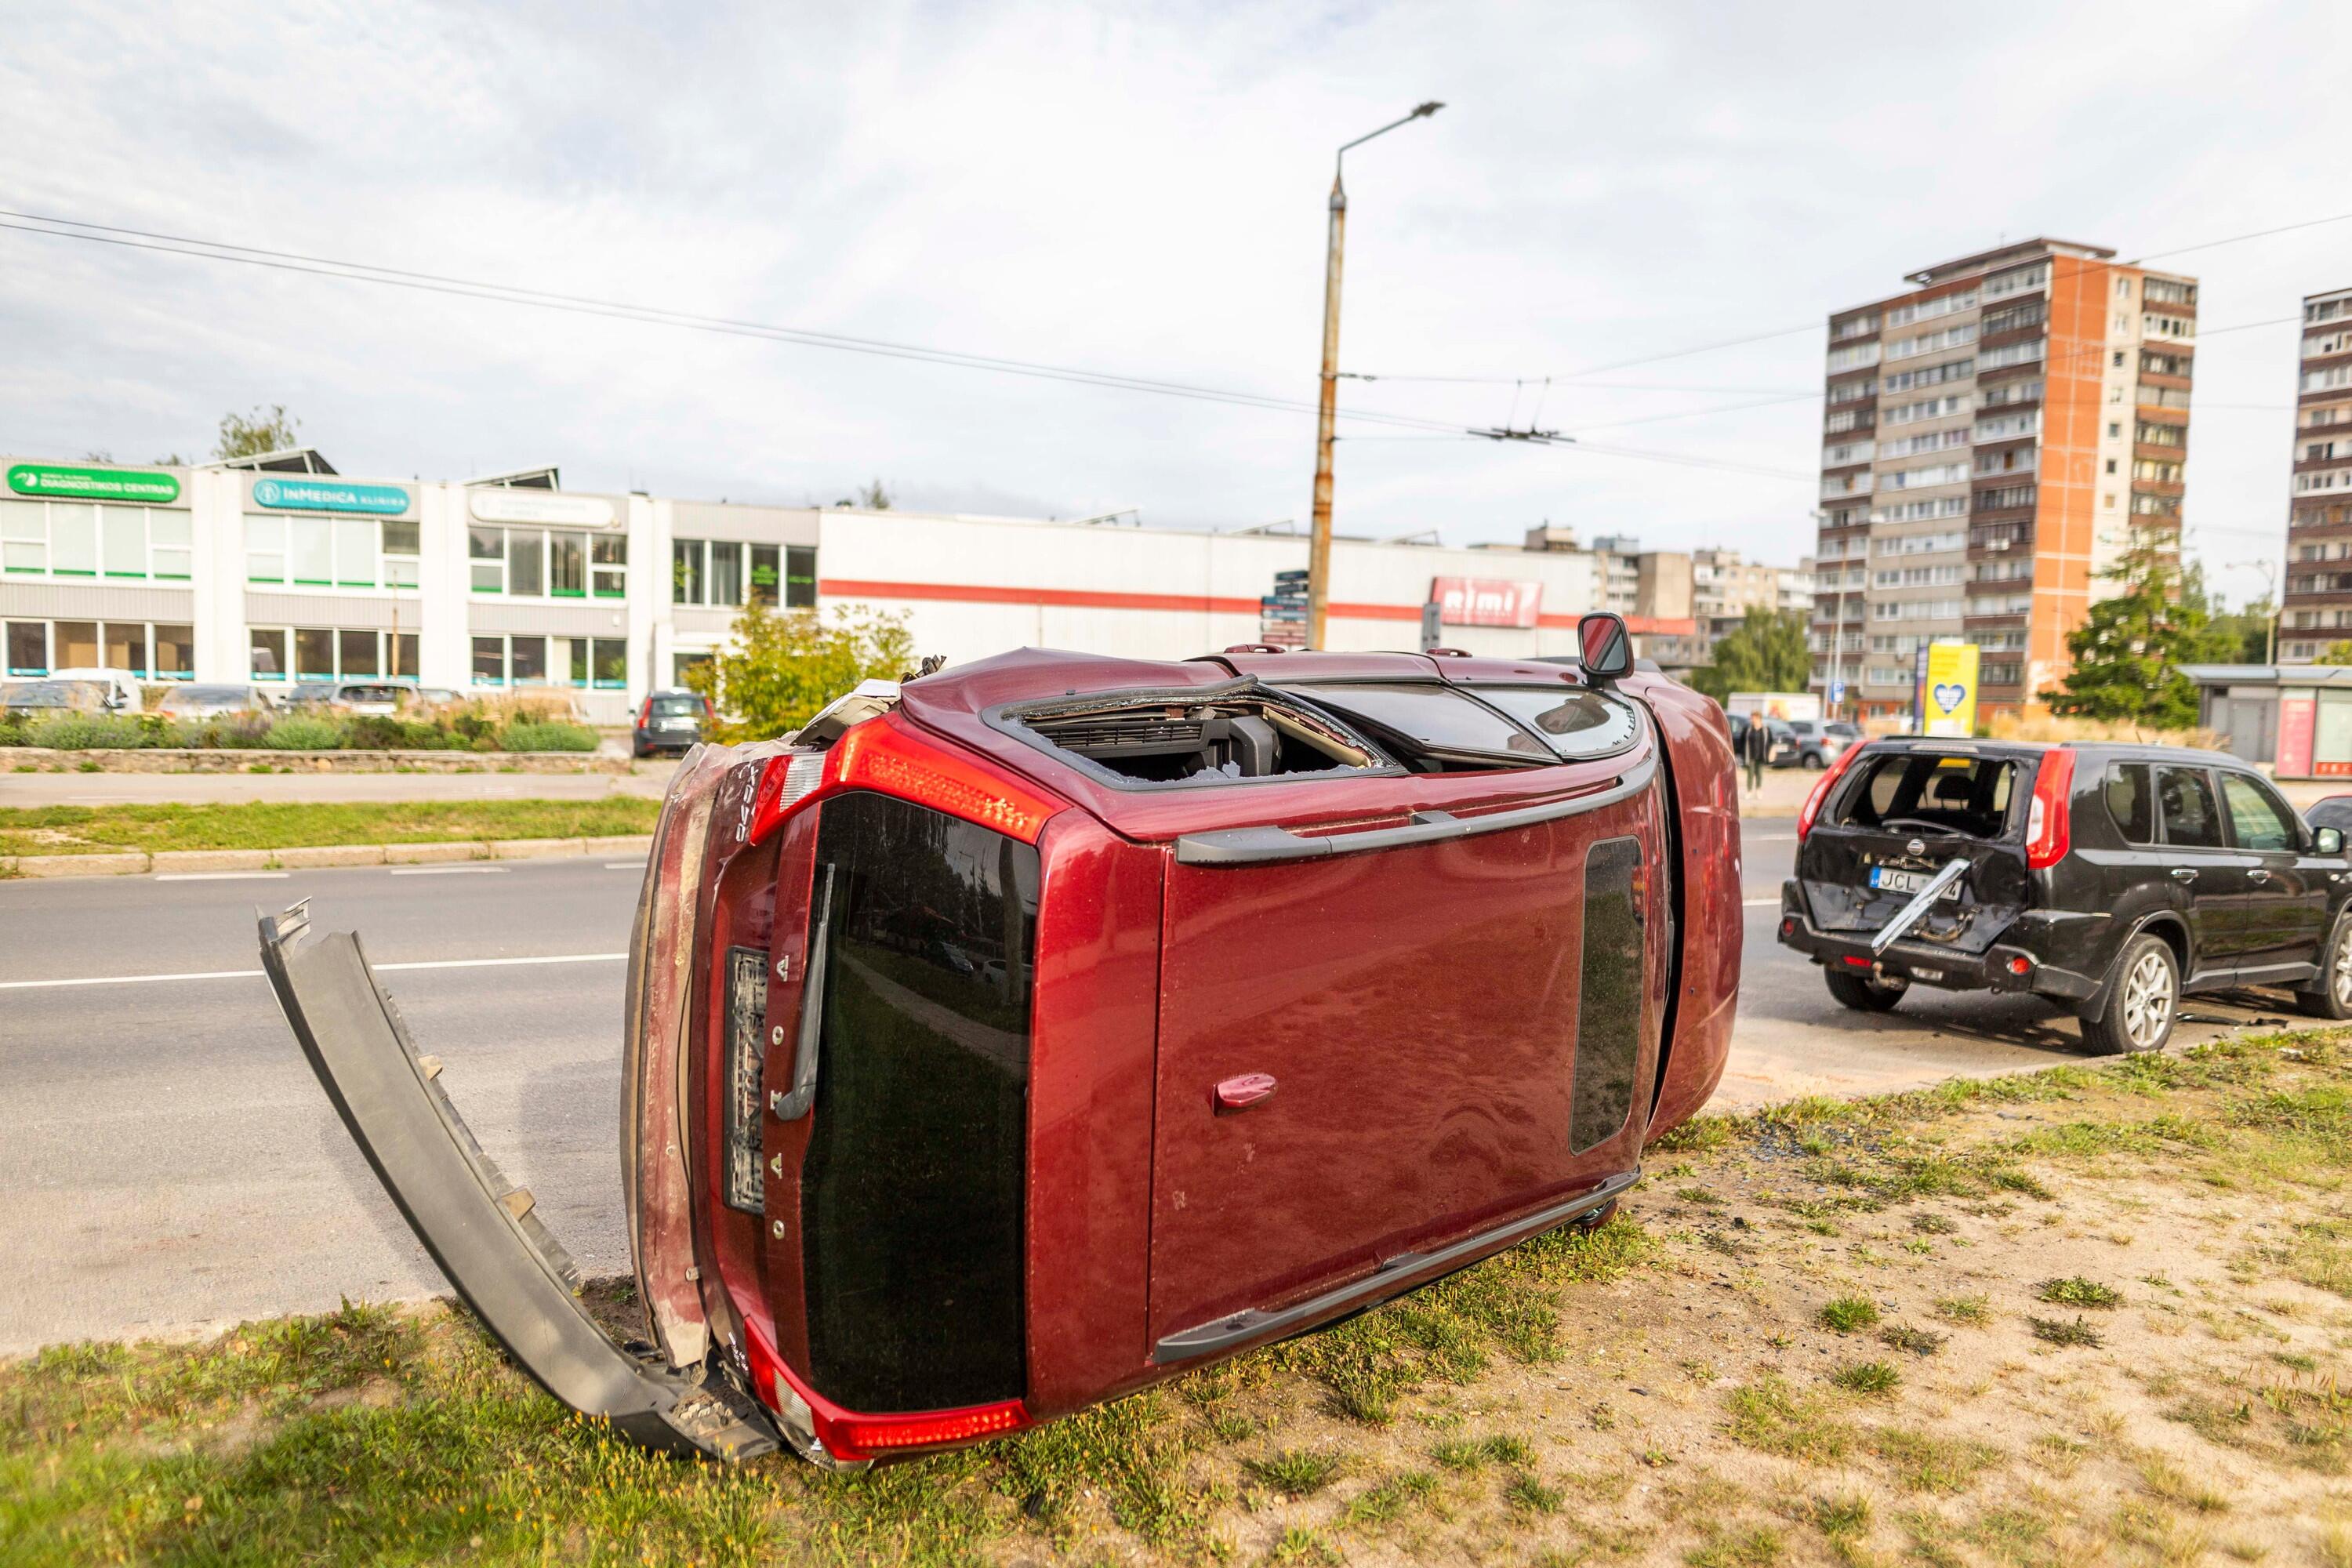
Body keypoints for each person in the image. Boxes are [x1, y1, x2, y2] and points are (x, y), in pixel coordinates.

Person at [1742, 715, 1768, 793]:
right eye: (1752, 718)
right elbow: (1742, 741)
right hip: (1750, 755)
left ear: (1759, 719)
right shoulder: (1748, 729)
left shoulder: (1765, 729)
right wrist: (1743, 753)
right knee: (1750, 774)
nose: (1752, 720)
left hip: (1761, 755)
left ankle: (1758, 790)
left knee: (1760, 773)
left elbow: (1769, 742)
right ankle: (1749, 791)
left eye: (1754, 718)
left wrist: (1769, 752)